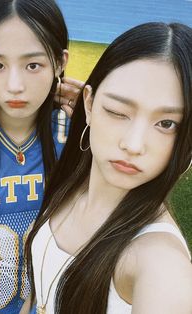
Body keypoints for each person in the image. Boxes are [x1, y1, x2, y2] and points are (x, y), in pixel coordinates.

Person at [24, 22, 192, 314]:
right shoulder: (70, 185)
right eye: (117, 111)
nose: (134, 144)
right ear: (88, 103)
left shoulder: (157, 261)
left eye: (166, 124)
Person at [0, 0, 83, 313]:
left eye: (33, 65)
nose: (14, 86)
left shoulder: (74, 136)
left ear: (59, 62)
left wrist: (100, 115)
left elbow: (159, 168)